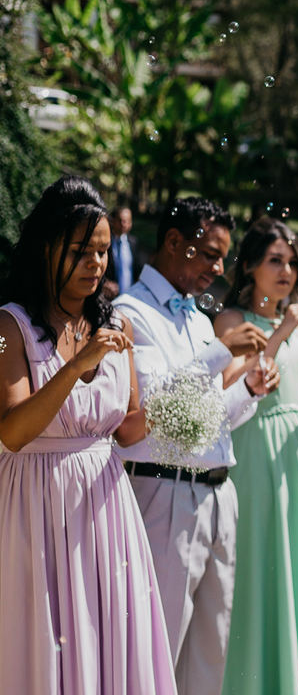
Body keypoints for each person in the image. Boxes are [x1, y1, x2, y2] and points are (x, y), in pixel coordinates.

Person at [0, 176, 177, 694]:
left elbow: (126, 428)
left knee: (107, 639)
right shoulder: (9, 327)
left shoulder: (114, 320)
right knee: (45, 638)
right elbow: (12, 430)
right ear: (45, 248)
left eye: (101, 251)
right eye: (80, 251)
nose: (95, 264)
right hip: (37, 505)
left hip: (106, 507)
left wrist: (182, 410)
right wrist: (76, 365)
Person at [114, 196, 278, 695]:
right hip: (165, 494)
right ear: (172, 242)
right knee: (157, 644)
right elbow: (147, 415)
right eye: (208, 253)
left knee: (211, 647)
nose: (218, 268)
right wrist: (220, 355)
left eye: (222, 255)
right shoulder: (130, 314)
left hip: (216, 493)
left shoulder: (199, 321)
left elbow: (203, 419)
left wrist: (247, 388)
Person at [216, 218, 298, 695]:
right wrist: (282, 330)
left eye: (293, 261)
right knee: (258, 563)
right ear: (250, 265)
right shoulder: (232, 322)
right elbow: (235, 384)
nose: (287, 271)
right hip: (255, 449)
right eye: (275, 260)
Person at [106, 205, 142, 295]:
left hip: (129, 296)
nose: (124, 224)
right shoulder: (106, 243)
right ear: (112, 221)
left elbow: (138, 270)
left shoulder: (134, 243)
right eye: (120, 220)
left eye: (127, 221)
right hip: (109, 296)